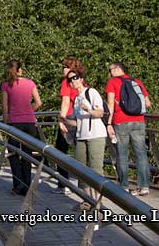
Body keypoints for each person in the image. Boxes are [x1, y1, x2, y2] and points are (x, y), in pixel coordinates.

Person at [106, 63, 152, 196]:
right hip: (139, 121)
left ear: (118, 69)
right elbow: (147, 103)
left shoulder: (112, 82)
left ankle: (124, 186)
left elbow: (110, 105)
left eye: (111, 70)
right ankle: (144, 186)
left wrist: (108, 124)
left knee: (122, 154)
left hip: (121, 121)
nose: (110, 73)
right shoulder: (136, 81)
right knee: (141, 154)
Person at [63, 69, 107, 211]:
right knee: (80, 169)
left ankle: (98, 204)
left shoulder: (91, 92)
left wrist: (88, 110)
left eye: (75, 78)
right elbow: (78, 122)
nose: (73, 81)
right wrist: (64, 121)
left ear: (81, 78)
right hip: (81, 136)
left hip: (95, 135)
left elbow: (100, 113)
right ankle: (88, 201)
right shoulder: (76, 99)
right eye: (70, 80)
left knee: (96, 169)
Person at [1, 60, 42, 196]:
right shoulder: (30, 83)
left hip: (14, 123)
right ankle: (27, 186)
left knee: (13, 155)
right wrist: (29, 111)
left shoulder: (6, 85)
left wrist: (6, 124)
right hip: (29, 123)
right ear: (20, 70)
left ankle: (17, 185)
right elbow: (38, 102)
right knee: (27, 155)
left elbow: (5, 108)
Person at [55, 57, 86, 195]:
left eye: (65, 67)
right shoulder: (82, 81)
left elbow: (65, 102)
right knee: (80, 151)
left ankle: (63, 183)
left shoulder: (66, 82)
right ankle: (84, 184)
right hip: (81, 120)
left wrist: (61, 120)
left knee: (60, 150)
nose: (63, 69)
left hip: (68, 119)